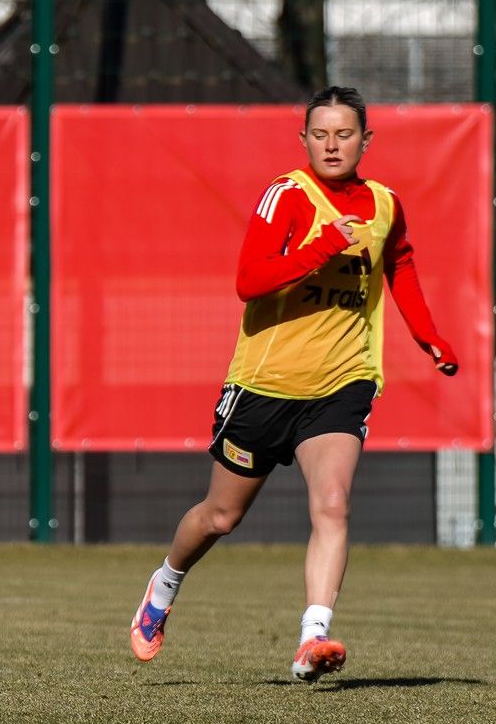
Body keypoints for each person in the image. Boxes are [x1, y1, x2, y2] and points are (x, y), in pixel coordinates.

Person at [129, 86, 460, 681]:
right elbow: (249, 281)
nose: (333, 145)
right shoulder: (288, 195)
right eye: (321, 134)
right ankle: (165, 583)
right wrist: (321, 247)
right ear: (304, 139)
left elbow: (400, 263)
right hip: (265, 384)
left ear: (366, 140)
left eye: (345, 134)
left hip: (343, 380)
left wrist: (427, 336)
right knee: (220, 518)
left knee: (333, 504)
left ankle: (313, 638)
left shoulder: (384, 203)